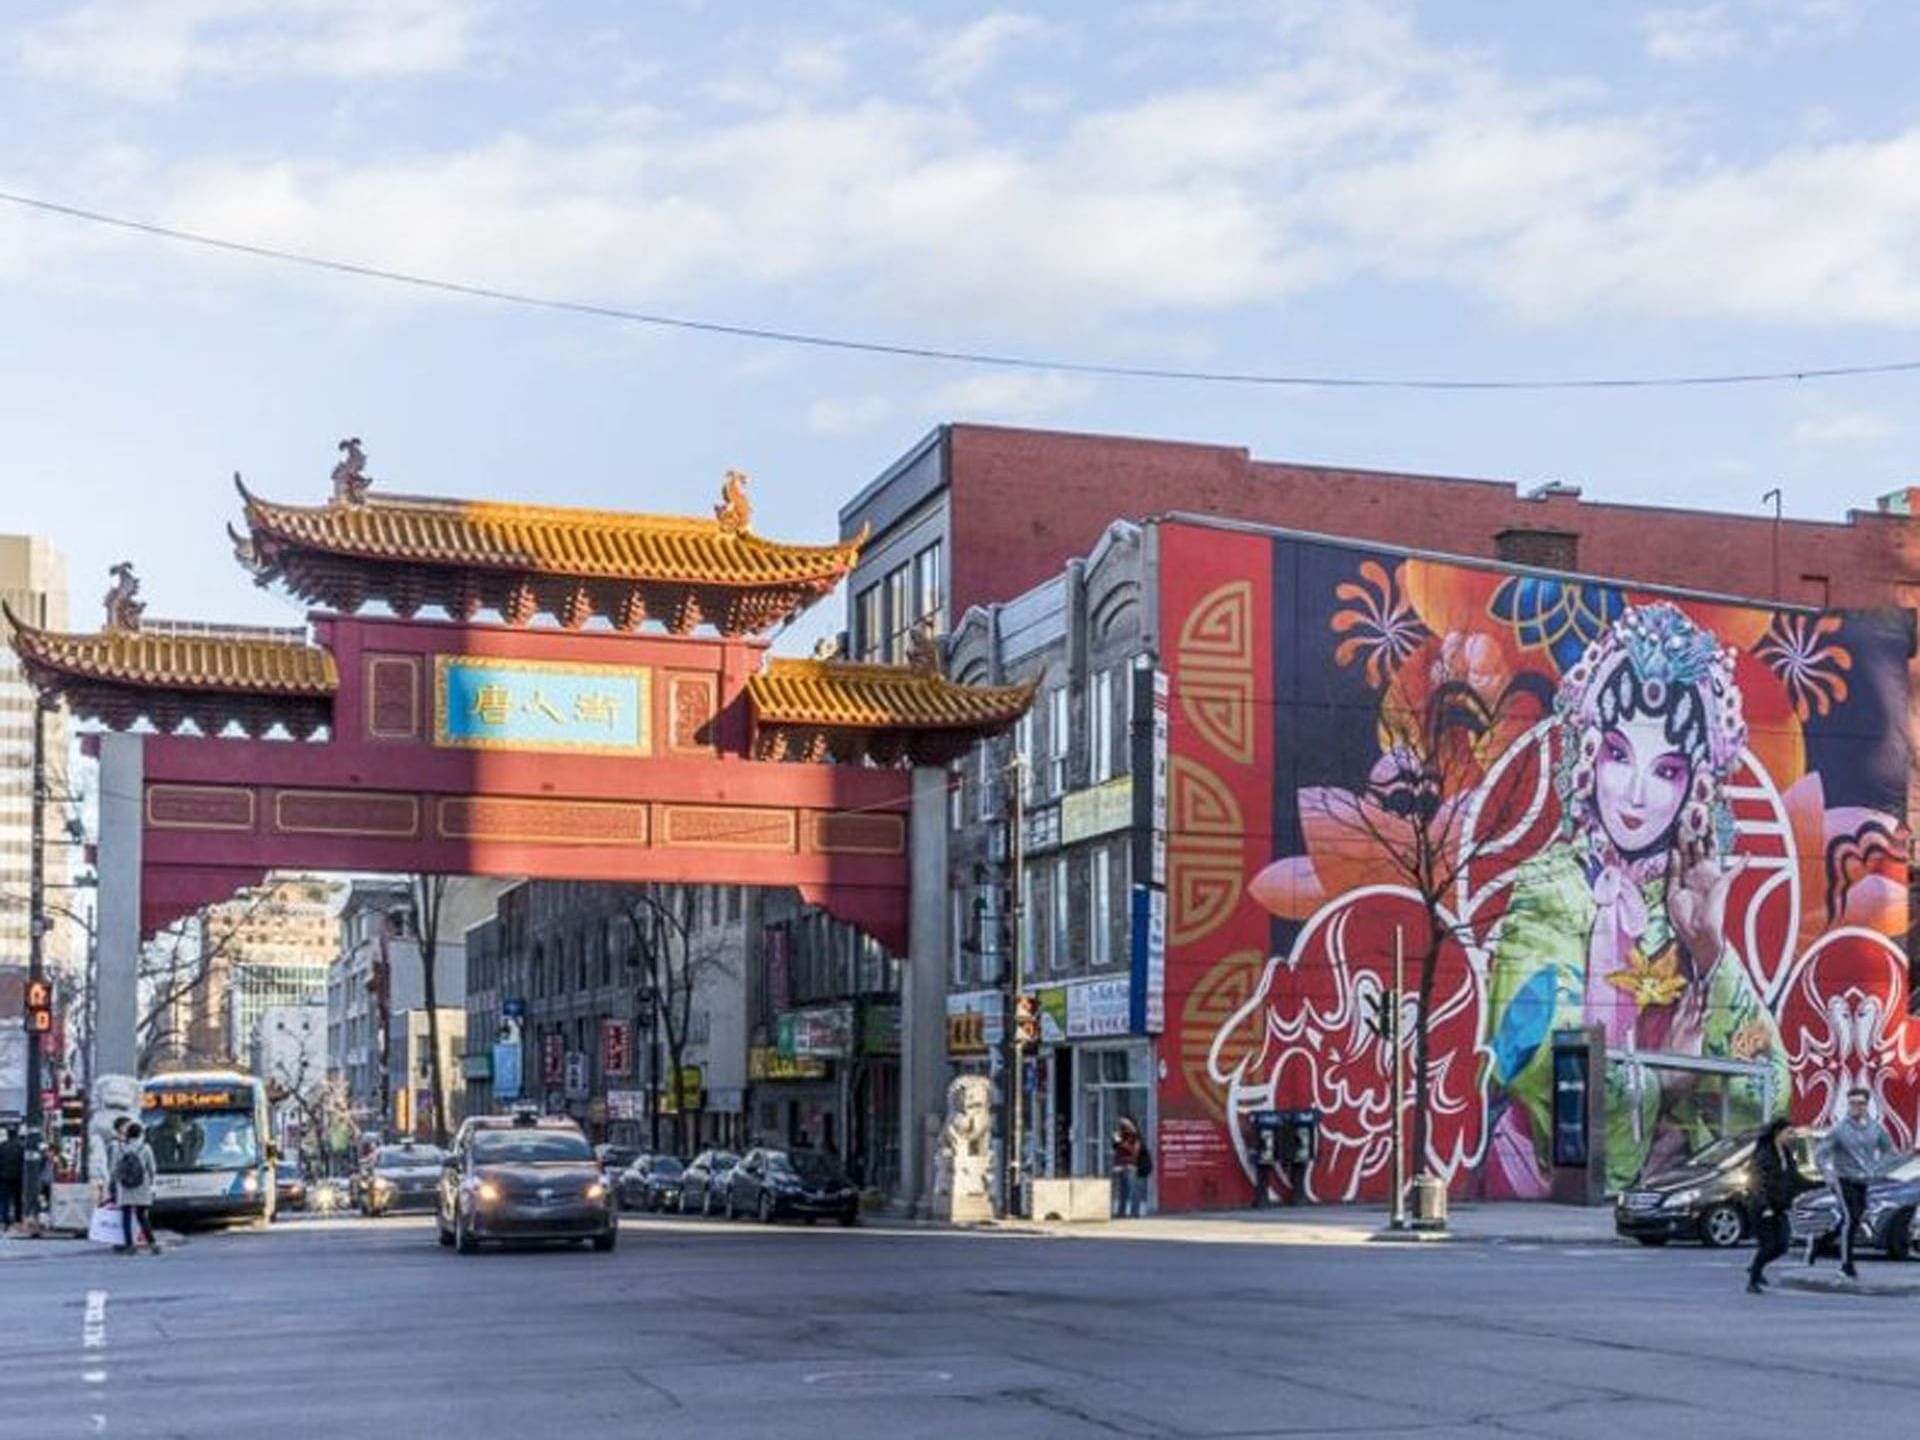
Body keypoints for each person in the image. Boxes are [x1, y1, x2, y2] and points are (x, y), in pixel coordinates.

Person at [1483, 604, 1785, 1195]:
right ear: (1589, 756)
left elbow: (1770, 1089)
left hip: (1677, 1189)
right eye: (1619, 756)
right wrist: (1666, 1083)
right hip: (1541, 1185)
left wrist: (1709, 954)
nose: (1637, 795)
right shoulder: (1549, 888)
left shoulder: (1686, 900)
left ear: (1695, 787)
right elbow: (1534, 1061)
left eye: (1667, 770)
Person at [1815, 1086, 1896, 1279]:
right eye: (1853, 1103)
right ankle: (1846, 1265)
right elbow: (1821, 1153)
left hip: (1864, 1180)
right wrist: (1827, 1172)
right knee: (1851, 1219)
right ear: (1847, 1104)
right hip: (1844, 1180)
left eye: (1861, 1103)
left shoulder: (1875, 1128)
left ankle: (1819, 1243)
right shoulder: (1839, 1129)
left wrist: (1878, 1167)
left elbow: (1889, 1150)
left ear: (1867, 1105)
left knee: (1854, 1219)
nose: (1856, 1107)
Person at [1746, 1118, 1802, 1294]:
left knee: (1783, 1245)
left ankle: (1756, 1266)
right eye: (1789, 1132)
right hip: (1764, 1209)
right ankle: (1753, 1280)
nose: (1792, 1136)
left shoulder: (1785, 1153)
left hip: (1780, 1207)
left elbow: (1795, 1179)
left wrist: (1822, 1184)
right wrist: (1765, 1206)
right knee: (1769, 1246)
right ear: (1778, 1133)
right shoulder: (1764, 1153)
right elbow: (1755, 1182)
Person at [113, 1121, 160, 1255]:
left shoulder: (121, 1148)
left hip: (125, 1186)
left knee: (126, 1217)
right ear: (140, 1134)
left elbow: (115, 1168)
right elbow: (152, 1168)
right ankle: (152, 1243)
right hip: (142, 1185)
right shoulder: (145, 1148)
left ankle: (129, 1245)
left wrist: (117, 1183)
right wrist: (151, 1183)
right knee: (142, 1216)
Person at [1111, 1117, 1143, 1218]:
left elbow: (1133, 1151)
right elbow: (1117, 1150)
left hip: (1131, 1166)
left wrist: (1120, 1142)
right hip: (1121, 1166)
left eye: (1123, 1125)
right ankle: (1121, 1211)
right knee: (1122, 1190)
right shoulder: (1122, 1136)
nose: (1121, 1128)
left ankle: (1135, 1212)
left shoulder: (1135, 1137)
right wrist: (1115, 1141)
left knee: (1133, 1190)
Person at [0, 1125, 23, 1232]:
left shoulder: (2, 1146)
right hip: (18, 1177)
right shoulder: (21, 1147)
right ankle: (18, 1221)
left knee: (4, 1200)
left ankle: (5, 1222)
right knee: (18, 1200)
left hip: (4, 1177)